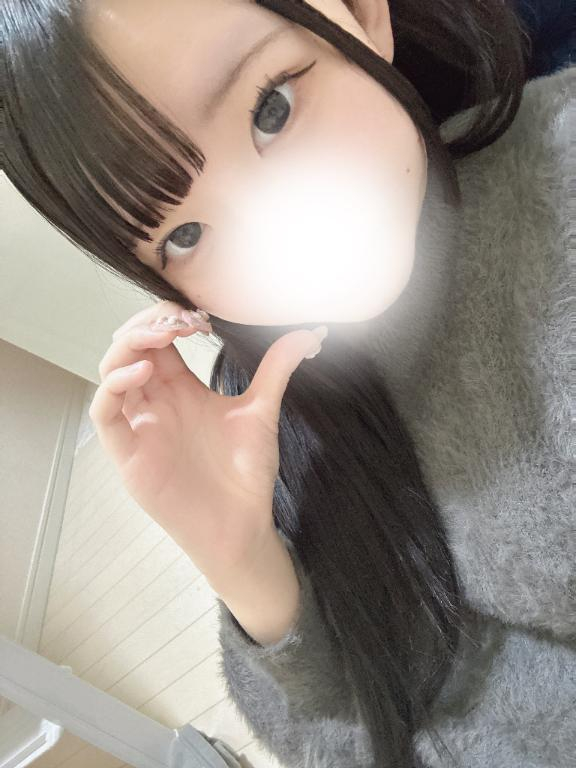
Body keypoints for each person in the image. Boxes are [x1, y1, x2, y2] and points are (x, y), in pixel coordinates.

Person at [2, 1, 573, 766]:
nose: (268, 235)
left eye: (271, 108)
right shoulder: (266, 409)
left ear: (361, 14)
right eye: (183, 235)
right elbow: (347, 729)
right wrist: (245, 565)